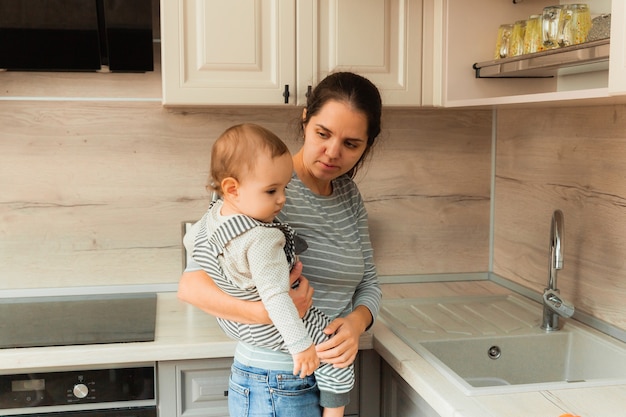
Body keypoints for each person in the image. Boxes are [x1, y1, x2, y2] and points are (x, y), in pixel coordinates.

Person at [179, 71, 383, 417]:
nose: (332, 152)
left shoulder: (349, 195)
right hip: (275, 377)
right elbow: (190, 287)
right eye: (323, 133)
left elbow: (369, 282)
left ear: (367, 145)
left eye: (351, 144)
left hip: (327, 371)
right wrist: (265, 311)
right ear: (305, 119)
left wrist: (356, 324)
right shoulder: (259, 185)